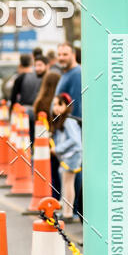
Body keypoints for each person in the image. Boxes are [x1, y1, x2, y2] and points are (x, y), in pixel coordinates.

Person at [50, 92, 82, 223]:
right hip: (69, 156)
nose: (56, 107)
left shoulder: (68, 121)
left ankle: (68, 213)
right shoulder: (61, 121)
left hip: (72, 156)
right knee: (67, 183)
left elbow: (75, 141)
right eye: (55, 104)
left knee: (68, 184)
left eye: (60, 104)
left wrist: (57, 149)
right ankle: (67, 211)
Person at [33, 70, 62, 201]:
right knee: (57, 171)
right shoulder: (58, 103)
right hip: (56, 140)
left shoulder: (39, 102)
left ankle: (48, 197)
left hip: (42, 143)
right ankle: (57, 198)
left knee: (46, 172)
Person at [10, 53, 42, 145]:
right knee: (37, 135)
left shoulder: (19, 78)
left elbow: (13, 98)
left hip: (23, 112)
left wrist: (11, 114)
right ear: (31, 63)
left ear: (20, 64)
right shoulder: (38, 76)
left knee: (25, 137)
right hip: (37, 110)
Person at [55, 43, 82, 118]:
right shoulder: (66, 73)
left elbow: (75, 104)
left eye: (65, 54)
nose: (61, 58)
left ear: (73, 55)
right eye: (59, 54)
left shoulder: (77, 73)